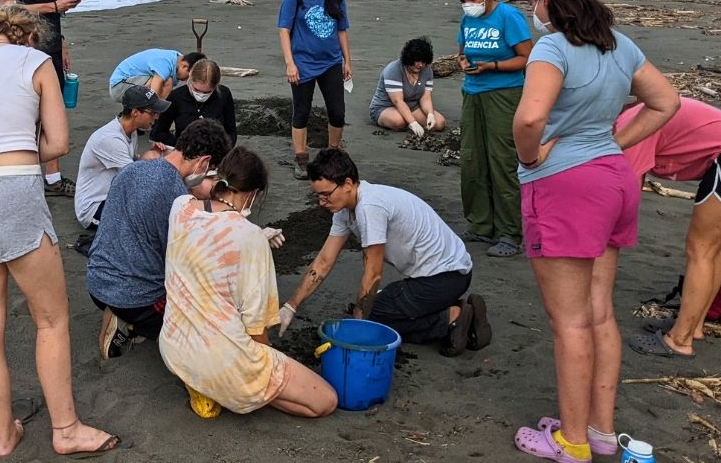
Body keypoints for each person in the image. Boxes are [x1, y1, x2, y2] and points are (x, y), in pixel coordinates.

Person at [510, 0, 679, 463]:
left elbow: (529, 119)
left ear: (545, 0)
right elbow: (666, 101)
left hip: (566, 188)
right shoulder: (619, 44)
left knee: (570, 322)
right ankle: (601, 431)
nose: (531, 12)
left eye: (532, 2)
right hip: (614, 182)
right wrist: (613, 140)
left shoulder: (552, 49)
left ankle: (572, 442)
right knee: (599, 312)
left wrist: (529, 156)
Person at [0, 2, 119, 457]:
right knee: (52, 320)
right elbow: (57, 143)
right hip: (11, 192)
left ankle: (4, 434)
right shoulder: (36, 62)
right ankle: (67, 428)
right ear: (29, 36)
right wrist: (21, 141)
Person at [159, 147, 337, 418]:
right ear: (253, 193)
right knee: (325, 401)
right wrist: (269, 366)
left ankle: (201, 384)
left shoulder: (179, 207)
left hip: (174, 347)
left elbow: (208, 233)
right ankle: (221, 388)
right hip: (219, 360)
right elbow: (257, 330)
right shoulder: (251, 238)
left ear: (219, 178)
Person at [281, 149, 489, 357]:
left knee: (374, 319)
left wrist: (358, 328)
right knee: (367, 307)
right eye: (318, 196)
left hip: (446, 277)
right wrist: (291, 306)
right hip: (439, 275)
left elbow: (373, 274)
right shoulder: (345, 210)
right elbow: (323, 262)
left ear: (347, 184)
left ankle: (451, 318)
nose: (321, 203)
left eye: (326, 195)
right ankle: (448, 309)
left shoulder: (369, 207)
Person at [619, 97, 721, 359]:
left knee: (701, 249)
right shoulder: (641, 114)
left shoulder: (631, 125)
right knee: (713, 249)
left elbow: (627, 189)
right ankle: (694, 327)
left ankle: (679, 340)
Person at [87, 118, 232, 360]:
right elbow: (182, 264)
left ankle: (124, 315)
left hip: (97, 277)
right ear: (204, 162)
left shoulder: (133, 168)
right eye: (211, 171)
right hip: (134, 297)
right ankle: (131, 321)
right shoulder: (175, 196)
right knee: (205, 328)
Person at [0, 0, 80, 198]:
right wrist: (52, 7)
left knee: (54, 104)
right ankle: (34, 174)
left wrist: (61, 40)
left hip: (51, 39)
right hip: (29, 42)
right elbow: (6, 6)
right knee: (34, 108)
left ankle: (53, 176)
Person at [453, 0, 532, 258]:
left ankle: (510, 232)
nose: (468, 4)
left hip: (504, 93)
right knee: (472, 158)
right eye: (463, 0)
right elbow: (463, 50)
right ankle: (480, 224)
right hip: (472, 92)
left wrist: (493, 67)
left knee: (502, 161)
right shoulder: (467, 18)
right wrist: (463, 61)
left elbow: (526, 57)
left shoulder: (508, 16)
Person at [278, 0, 351, 179]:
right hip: (303, 63)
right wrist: (290, 63)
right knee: (301, 111)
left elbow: (342, 30)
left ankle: (333, 153)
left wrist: (347, 61)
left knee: (337, 112)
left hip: (330, 62)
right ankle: (301, 159)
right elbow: (284, 30)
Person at [73, 85, 172, 254]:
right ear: (135, 112)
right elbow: (138, 178)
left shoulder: (129, 131)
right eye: (152, 112)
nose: (156, 117)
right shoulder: (110, 140)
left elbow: (134, 165)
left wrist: (153, 154)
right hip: (94, 208)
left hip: (113, 197)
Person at [151, 58, 238, 147]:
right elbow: (159, 131)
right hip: (183, 151)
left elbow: (231, 131)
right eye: (196, 90)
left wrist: (223, 149)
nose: (201, 95)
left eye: (207, 92)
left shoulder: (224, 94)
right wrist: (181, 146)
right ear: (191, 78)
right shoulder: (176, 96)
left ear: (216, 86)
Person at [371, 37, 445, 137]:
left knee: (439, 123)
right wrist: (413, 122)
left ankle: (409, 119)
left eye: (423, 62)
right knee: (398, 122)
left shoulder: (427, 71)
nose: (420, 65)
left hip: (412, 107)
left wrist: (430, 114)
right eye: (417, 61)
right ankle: (406, 121)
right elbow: (398, 101)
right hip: (386, 107)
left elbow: (426, 98)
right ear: (409, 58)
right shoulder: (393, 69)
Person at [108, 48, 201, 103]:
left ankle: (148, 114)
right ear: (185, 66)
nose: (187, 80)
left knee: (166, 85)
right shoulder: (165, 62)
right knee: (166, 83)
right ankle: (154, 116)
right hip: (118, 87)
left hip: (133, 81)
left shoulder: (179, 59)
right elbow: (154, 91)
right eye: (189, 76)